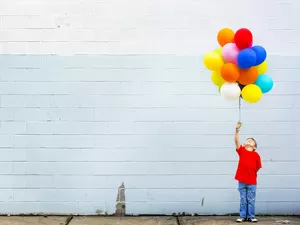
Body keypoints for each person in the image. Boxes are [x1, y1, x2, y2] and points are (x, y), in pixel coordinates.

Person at [234, 122, 262, 223]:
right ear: (245, 144)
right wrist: (237, 130)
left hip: (252, 182)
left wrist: (251, 173)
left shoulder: (256, 155)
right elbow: (236, 141)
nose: (249, 140)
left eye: (252, 141)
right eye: (248, 140)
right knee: (243, 200)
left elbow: (258, 167)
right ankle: (242, 216)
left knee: (251, 200)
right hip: (242, 181)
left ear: (254, 147)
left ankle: (251, 216)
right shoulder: (242, 151)